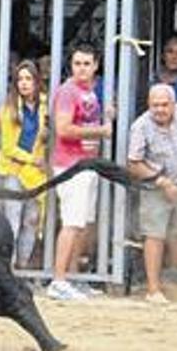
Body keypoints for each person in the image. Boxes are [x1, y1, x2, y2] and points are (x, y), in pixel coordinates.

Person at [46, 44, 113, 301]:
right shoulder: (67, 91)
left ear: (96, 65)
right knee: (72, 223)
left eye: (86, 63)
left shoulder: (89, 92)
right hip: (72, 165)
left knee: (82, 224)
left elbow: (85, 121)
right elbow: (63, 129)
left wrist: (105, 118)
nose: (81, 68)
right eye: (77, 63)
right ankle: (59, 280)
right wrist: (101, 131)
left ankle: (71, 279)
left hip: (86, 164)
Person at [127, 84, 177, 304]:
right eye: (155, 105)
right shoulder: (141, 126)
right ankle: (153, 290)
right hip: (155, 186)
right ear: (148, 105)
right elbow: (134, 164)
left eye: (164, 105)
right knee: (154, 236)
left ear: (173, 104)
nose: (160, 110)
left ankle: (175, 282)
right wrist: (162, 182)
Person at [0, 60, 49, 269]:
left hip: (35, 173)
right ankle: (7, 266)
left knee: (32, 222)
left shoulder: (45, 105)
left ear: (36, 82)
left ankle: (22, 266)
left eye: (28, 79)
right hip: (13, 170)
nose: (24, 84)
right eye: (20, 79)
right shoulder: (8, 109)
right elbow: (7, 148)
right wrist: (32, 159)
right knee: (13, 220)